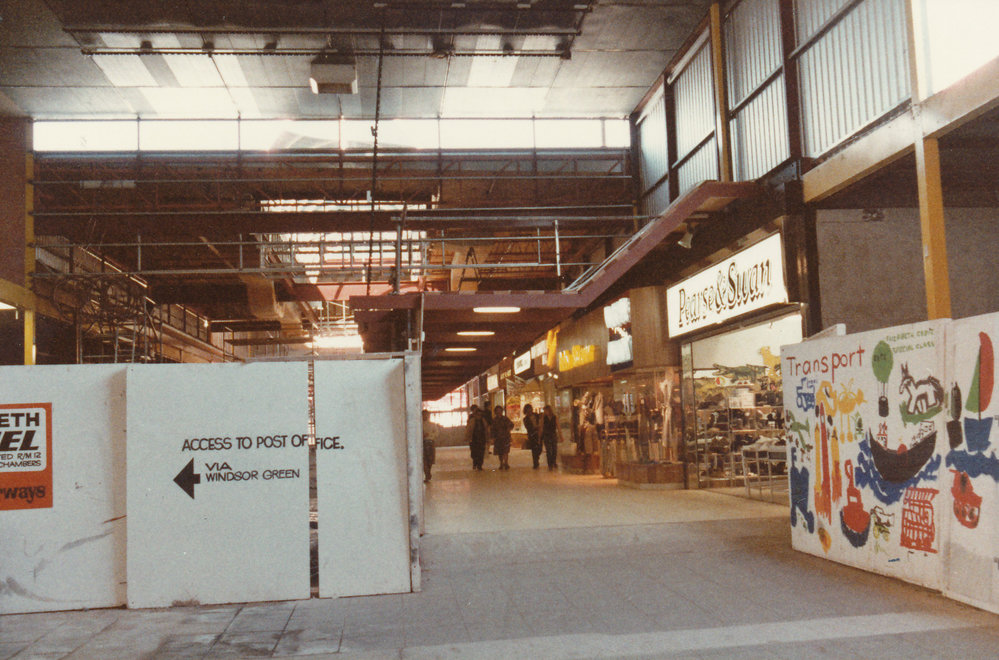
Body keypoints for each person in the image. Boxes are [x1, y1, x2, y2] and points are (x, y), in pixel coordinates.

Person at [465, 405, 488, 471]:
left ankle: (479, 465)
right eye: (478, 415)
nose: (479, 416)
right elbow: (468, 429)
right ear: (475, 415)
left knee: (481, 453)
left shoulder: (483, 421)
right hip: (474, 439)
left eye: (480, 415)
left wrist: (488, 438)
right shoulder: (472, 421)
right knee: (474, 453)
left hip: (482, 439)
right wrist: (467, 437)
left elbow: (486, 429)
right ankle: (475, 462)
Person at [491, 405, 514, 471]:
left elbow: (511, 424)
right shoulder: (494, 420)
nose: (499, 412)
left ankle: (506, 463)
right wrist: (492, 437)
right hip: (498, 438)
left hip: (505, 437)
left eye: (500, 411)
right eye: (497, 411)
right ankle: (501, 463)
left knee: (506, 451)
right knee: (500, 452)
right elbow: (492, 429)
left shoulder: (505, 419)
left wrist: (508, 429)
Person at [540, 404, 561, 471]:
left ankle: (554, 462)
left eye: (545, 410)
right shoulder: (544, 418)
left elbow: (558, 427)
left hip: (553, 435)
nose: (545, 412)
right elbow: (541, 427)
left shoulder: (555, 417)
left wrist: (561, 436)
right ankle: (550, 465)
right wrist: (540, 436)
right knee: (548, 451)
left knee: (554, 450)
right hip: (546, 435)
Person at [421, 409, 438, 483]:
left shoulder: (433, 424)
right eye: (424, 415)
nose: (425, 416)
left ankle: (428, 471)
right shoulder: (419, 425)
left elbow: (436, 433)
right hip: (422, 443)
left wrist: (431, 436)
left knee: (430, 459)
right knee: (424, 459)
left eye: (427, 415)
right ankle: (427, 473)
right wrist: (423, 435)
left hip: (430, 442)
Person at [523, 403, 542, 469]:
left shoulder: (536, 415)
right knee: (534, 449)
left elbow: (541, 421)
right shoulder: (525, 419)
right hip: (532, 435)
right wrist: (536, 427)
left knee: (539, 448)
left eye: (530, 409)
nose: (529, 411)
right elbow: (528, 427)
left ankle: (537, 457)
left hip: (539, 434)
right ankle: (535, 462)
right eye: (528, 410)